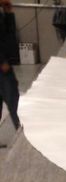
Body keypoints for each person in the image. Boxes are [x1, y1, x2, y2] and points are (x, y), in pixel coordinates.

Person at [0, 0, 20, 130]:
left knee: (13, 100)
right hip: (2, 67)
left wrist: (8, 13)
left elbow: (9, 33)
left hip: (5, 63)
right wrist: (2, 61)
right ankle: (23, 134)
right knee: (14, 102)